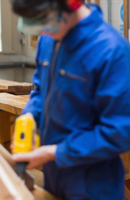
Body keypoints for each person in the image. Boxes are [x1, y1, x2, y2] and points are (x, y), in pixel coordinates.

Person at [10, 0, 130, 199]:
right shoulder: (48, 40)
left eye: (45, 21)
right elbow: (40, 90)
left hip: (93, 186)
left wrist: (55, 153)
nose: (43, 30)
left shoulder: (111, 50)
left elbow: (120, 131)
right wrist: (30, 115)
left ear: (71, 4)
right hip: (53, 176)